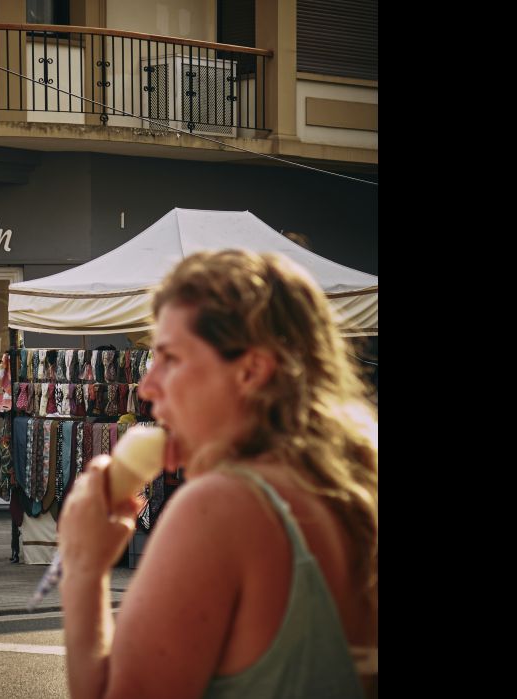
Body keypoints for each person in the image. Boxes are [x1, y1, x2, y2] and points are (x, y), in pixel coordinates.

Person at [58, 250, 378, 698]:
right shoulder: (358, 487)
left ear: (250, 371)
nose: (148, 386)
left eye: (170, 358)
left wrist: (83, 566)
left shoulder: (221, 506)